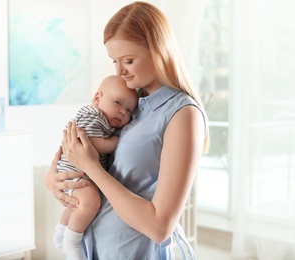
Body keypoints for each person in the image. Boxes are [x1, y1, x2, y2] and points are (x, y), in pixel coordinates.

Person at [45, 2, 210, 259]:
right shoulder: (129, 106)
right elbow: (97, 158)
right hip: (93, 249)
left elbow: (160, 228)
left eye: (129, 61)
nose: (119, 71)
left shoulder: (182, 114)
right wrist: (55, 180)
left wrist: (92, 168)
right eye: (115, 61)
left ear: (159, 50)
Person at [54, 75, 138, 259]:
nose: (123, 112)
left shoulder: (106, 123)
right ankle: (72, 241)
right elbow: (90, 143)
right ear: (98, 98)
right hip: (75, 172)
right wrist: (114, 142)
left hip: (81, 173)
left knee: (77, 206)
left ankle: (60, 233)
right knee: (90, 201)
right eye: (117, 103)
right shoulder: (93, 115)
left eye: (129, 110)